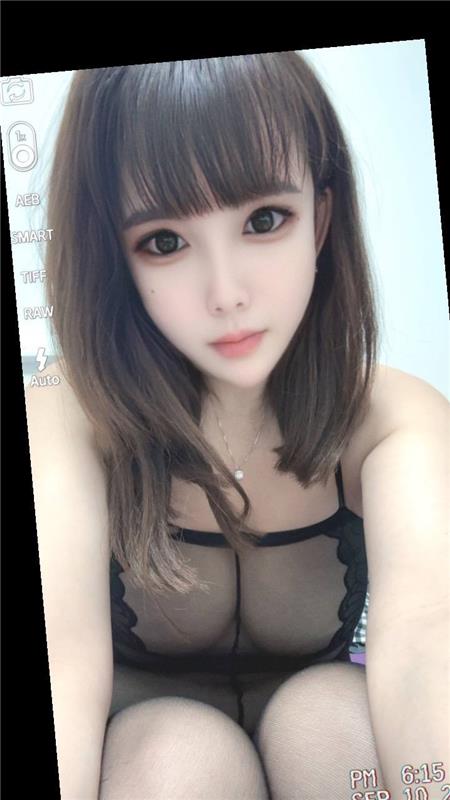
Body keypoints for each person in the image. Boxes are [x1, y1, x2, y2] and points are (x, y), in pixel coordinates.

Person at [25, 51, 448, 800]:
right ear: (115, 257)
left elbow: (425, 640)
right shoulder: (66, 416)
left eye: (264, 220)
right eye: (164, 241)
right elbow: (59, 661)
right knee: (177, 760)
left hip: (327, 741)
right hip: (148, 756)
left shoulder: (394, 419)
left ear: (321, 219)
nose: (227, 293)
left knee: (337, 726)